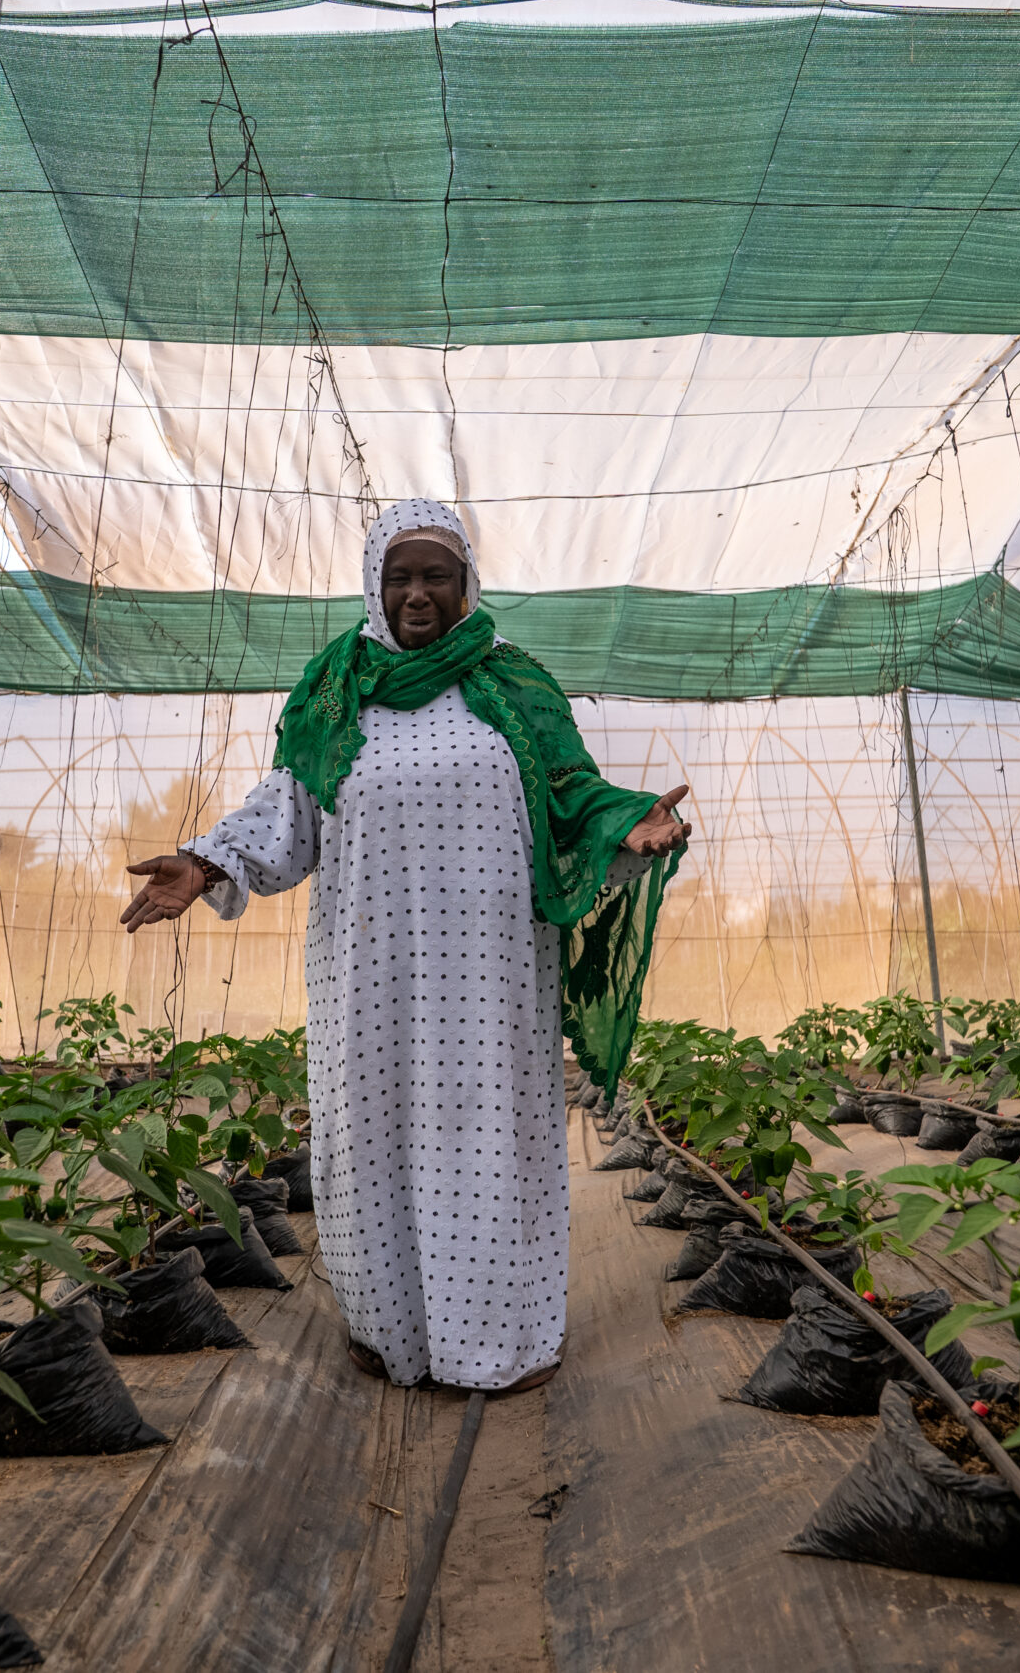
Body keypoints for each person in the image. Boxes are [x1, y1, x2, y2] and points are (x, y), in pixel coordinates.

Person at [121, 499, 691, 1392]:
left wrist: (631, 827)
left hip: (493, 974)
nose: (416, 594)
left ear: (466, 584)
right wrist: (205, 861)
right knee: (373, 1139)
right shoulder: (336, 686)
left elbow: (573, 799)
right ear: (372, 583)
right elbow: (289, 812)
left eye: (435, 575)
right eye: (399, 575)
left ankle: (498, 1343)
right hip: (370, 974)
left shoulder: (516, 689)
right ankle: (391, 1333)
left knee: (491, 1142)